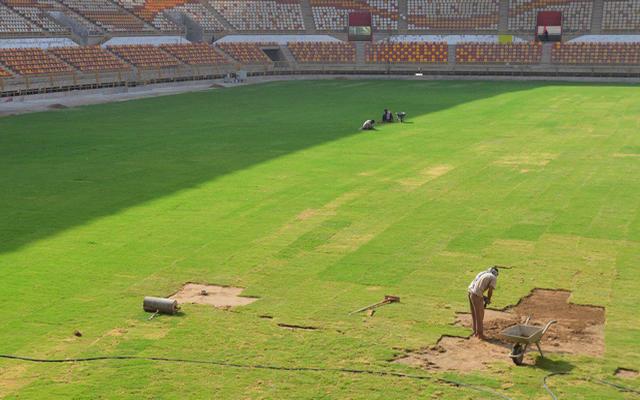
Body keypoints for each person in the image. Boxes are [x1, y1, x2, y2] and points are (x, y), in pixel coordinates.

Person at [468, 266, 499, 340]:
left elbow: (477, 286)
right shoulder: (493, 278)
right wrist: (488, 298)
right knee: (479, 314)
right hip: (476, 295)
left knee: (474, 314)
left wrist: (484, 298)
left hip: (470, 292)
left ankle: (475, 331)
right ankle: (480, 334)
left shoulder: (482, 273)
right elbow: (490, 290)